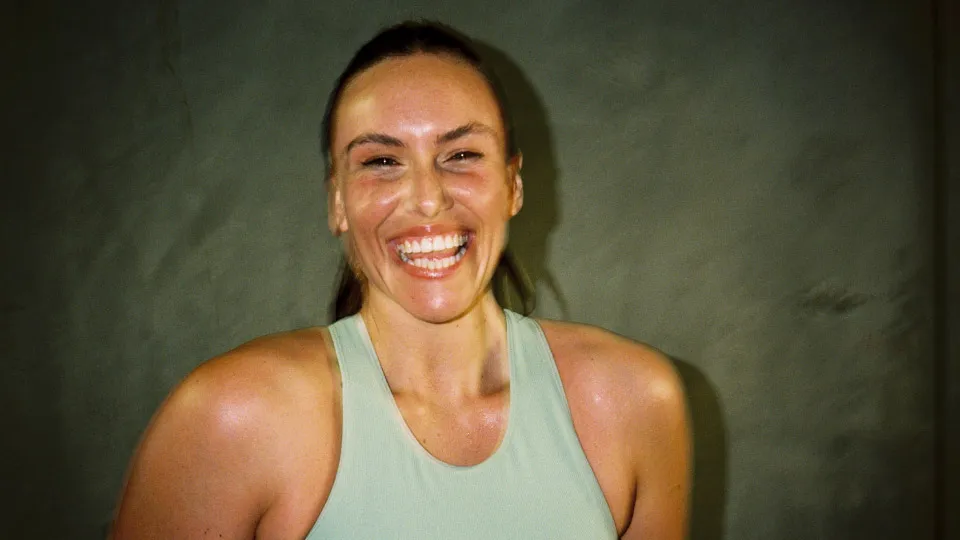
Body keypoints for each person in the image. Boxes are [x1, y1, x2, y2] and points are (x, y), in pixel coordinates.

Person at [111, 20, 690, 540]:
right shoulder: (232, 419)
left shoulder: (634, 402)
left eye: (461, 154)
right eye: (381, 162)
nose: (428, 199)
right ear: (337, 201)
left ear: (513, 185)